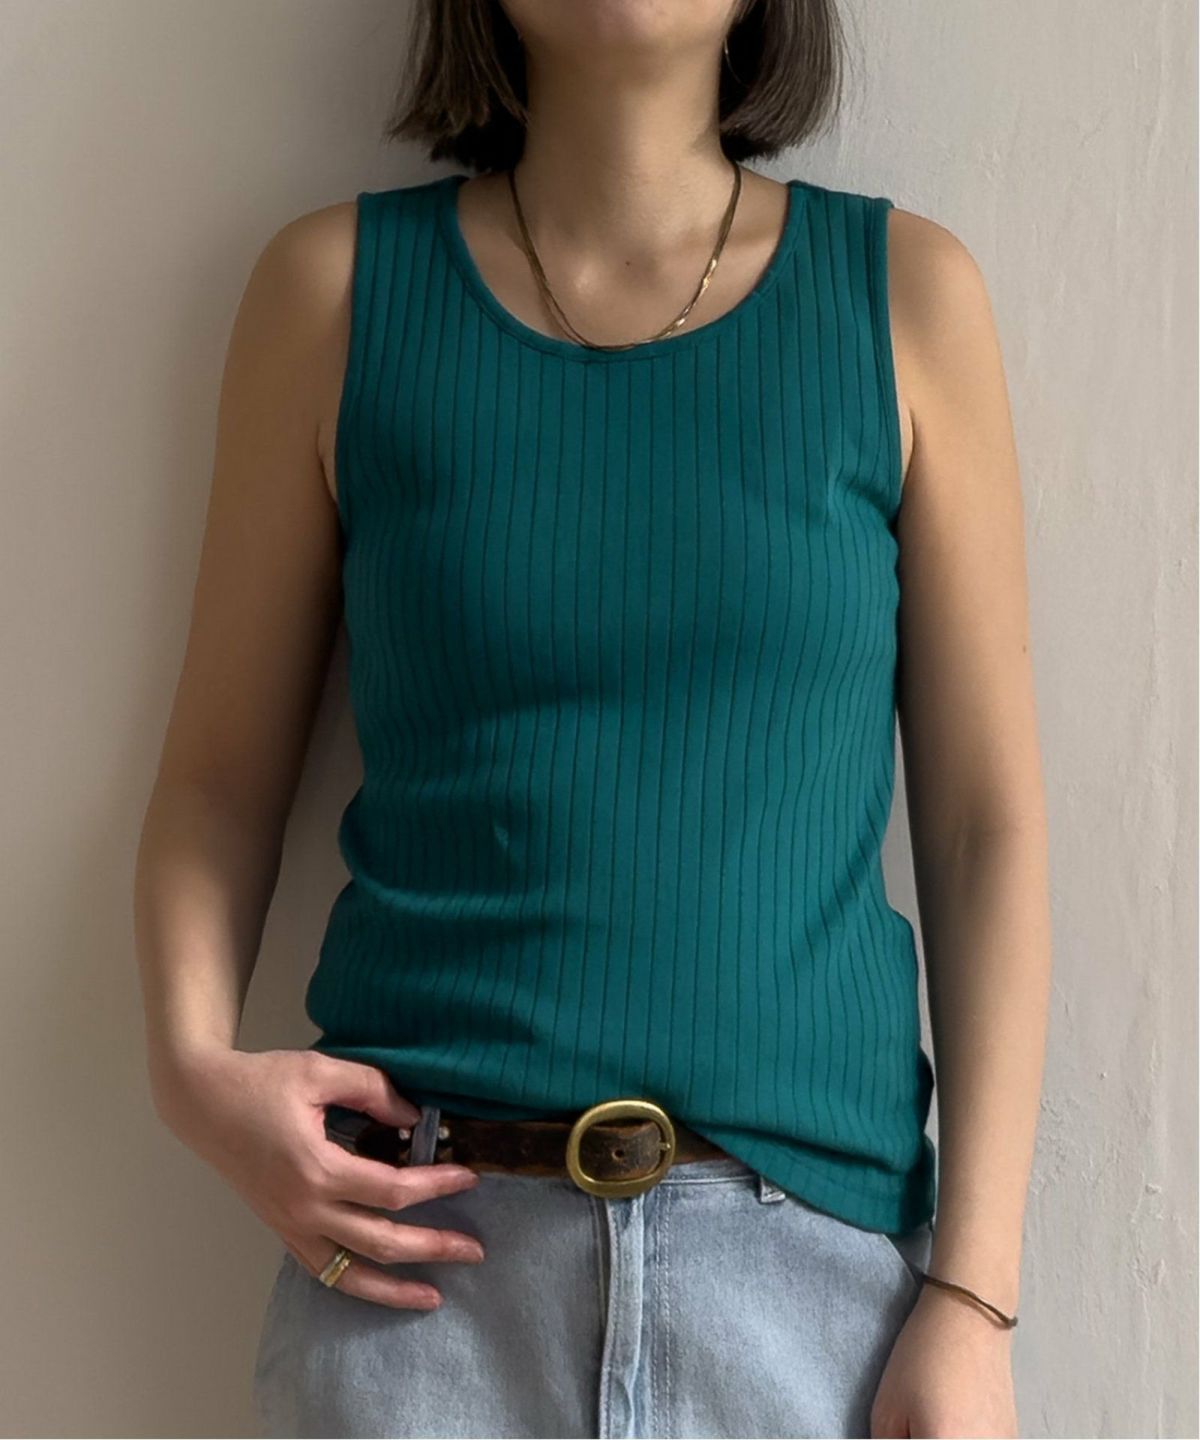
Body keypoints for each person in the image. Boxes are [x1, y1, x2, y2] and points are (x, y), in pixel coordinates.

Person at [133, 1, 1051, 1436]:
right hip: (415, 1286)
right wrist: (193, 1074)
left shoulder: (907, 300)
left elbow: (987, 826)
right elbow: (217, 781)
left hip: (815, 1304)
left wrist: (975, 1297)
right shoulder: (333, 296)